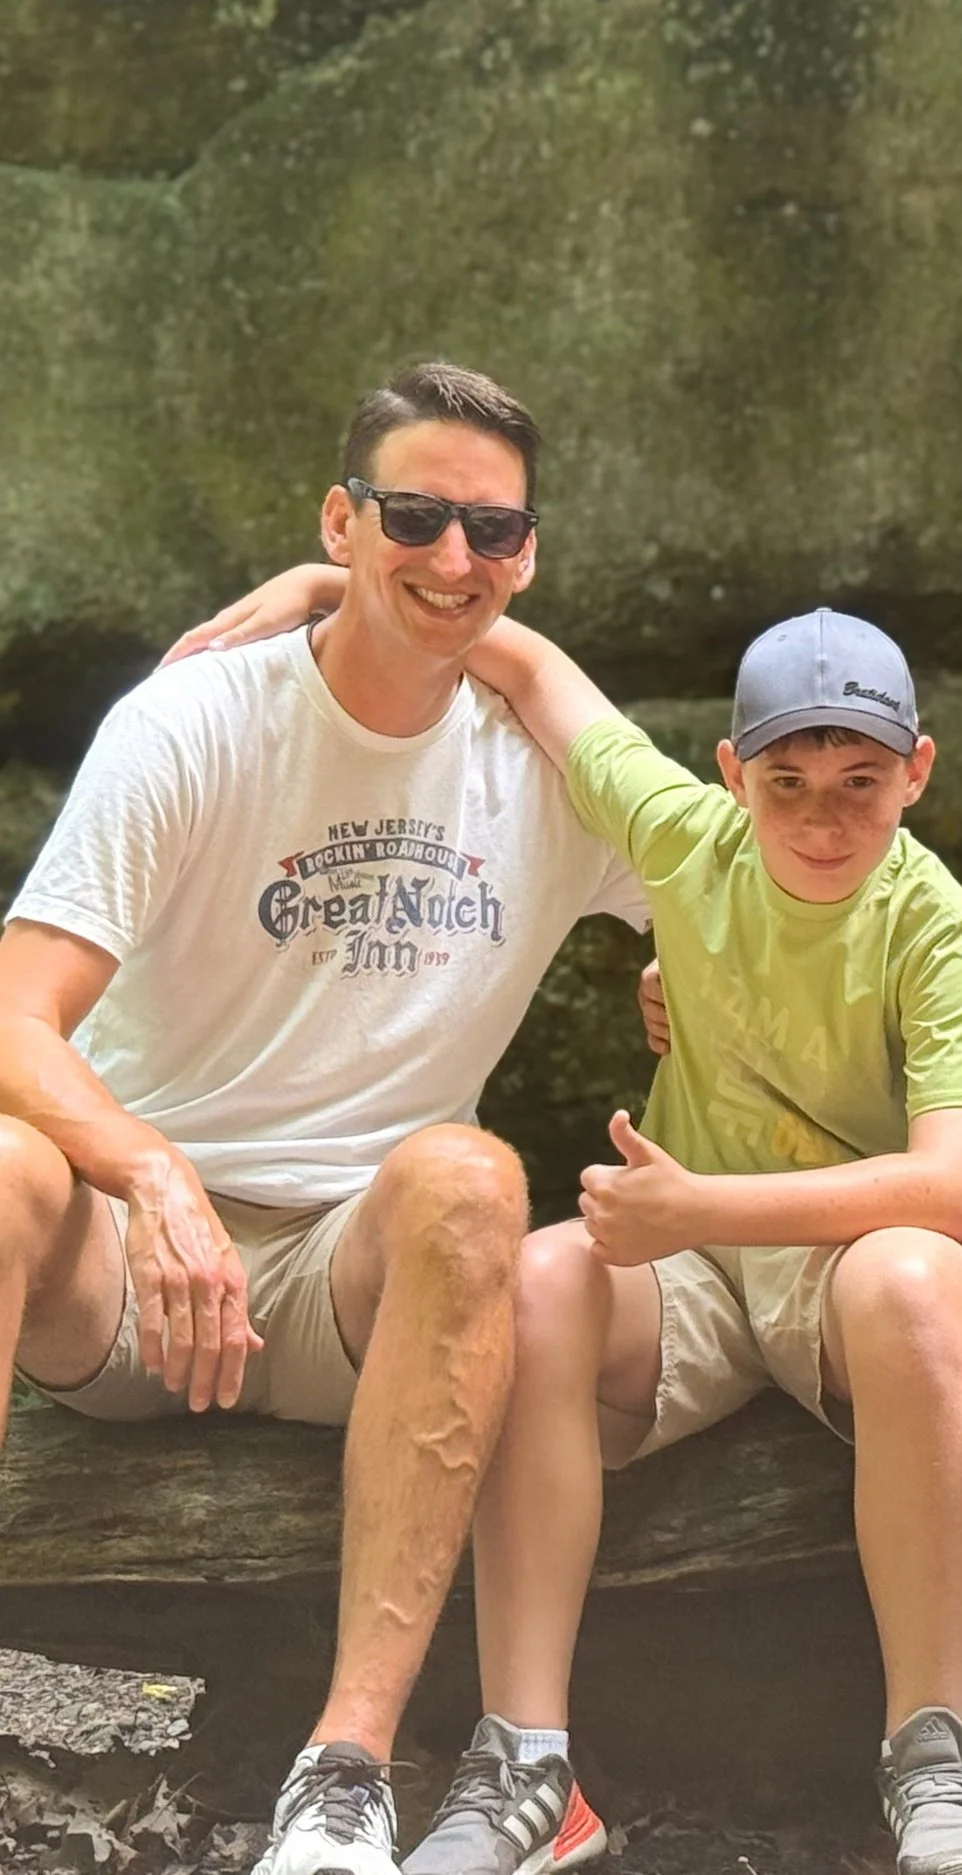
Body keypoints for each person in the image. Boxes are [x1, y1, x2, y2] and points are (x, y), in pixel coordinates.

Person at [182, 573, 962, 1875]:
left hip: (852, 1261)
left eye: (859, 778)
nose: (821, 815)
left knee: (914, 1280)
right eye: (787, 781)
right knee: (538, 1279)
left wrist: (696, 1204)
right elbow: (525, 666)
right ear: (730, 769)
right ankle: (525, 1758)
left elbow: (954, 1184)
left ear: (917, 770)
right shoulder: (684, 835)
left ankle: (935, 1750)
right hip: (686, 1270)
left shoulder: (942, 925)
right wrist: (338, 583)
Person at [0, 362, 647, 1875]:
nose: (453, 559)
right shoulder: (196, 717)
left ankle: (346, 1769)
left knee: (474, 1178)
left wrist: (685, 947)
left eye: (493, 532)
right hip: (126, 1268)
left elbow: (764, 880)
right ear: (341, 518)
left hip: (345, 1295)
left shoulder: (541, 766)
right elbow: (15, 1012)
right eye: (413, 518)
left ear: (531, 555)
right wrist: (146, 1171)